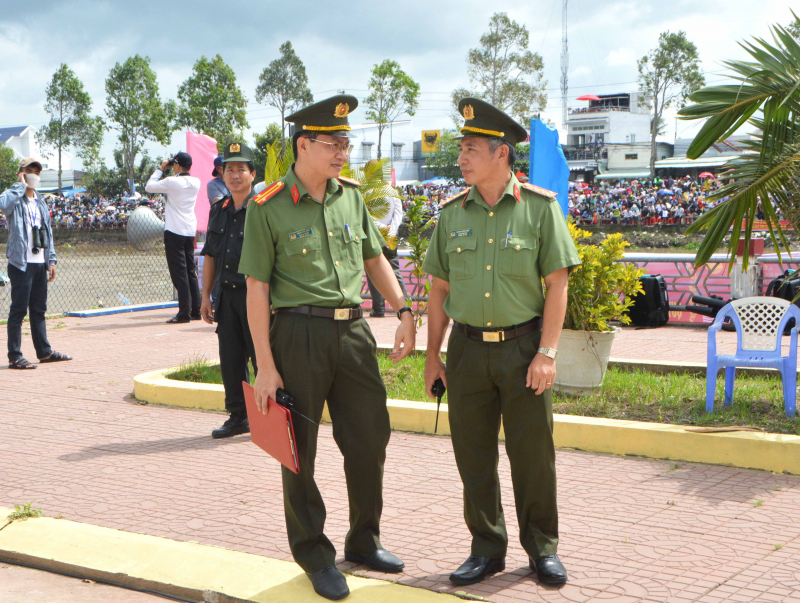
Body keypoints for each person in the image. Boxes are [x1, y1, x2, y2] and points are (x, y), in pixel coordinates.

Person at [238, 94, 416, 601]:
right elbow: (257, 289)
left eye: (346, 142)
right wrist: (266, 367)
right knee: (299, 453)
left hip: (353, 331)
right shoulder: (268, 206)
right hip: (296, 335)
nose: (343, 151)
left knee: (369, 438)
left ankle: (364, 541)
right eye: (333, 143)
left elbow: (375, 257)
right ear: (304, 145)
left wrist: (403, 310)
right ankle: (315, 555)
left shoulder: (351, 197)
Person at [422, 98, 581, 587]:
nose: (461, 158)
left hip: (523, 349)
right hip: (467, 351)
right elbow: (439, 291)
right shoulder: (452, 214)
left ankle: (542, 549)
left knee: (533, 455)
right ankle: (486, 547)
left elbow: (558, 283)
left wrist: (547, 352)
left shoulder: (539, 209)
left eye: (471, 149)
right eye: (461, 149)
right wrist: (433, 356)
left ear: (501, 155)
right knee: (473, 456)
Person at [200, 143, 258, 439]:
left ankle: (273, 417)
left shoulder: (264, 208)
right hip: (227, 297)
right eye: (229, 170)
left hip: (257, 298)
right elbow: (210, 254)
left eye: (240, 169)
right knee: (231, 360)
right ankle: (239, 416)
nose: (234, 175)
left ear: (252, 174)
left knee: (264, 360)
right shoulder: (218, 209)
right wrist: (206, 295)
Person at [0, 158, 72, 369]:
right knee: (19, 309)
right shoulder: (14, 198)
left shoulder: (41, 201)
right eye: (28, 170)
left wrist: (51, 260)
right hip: (20, 263)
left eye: (36, 172)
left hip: (39, 261)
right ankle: (15, 356)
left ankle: (44, 352)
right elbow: (2, 205)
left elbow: (48, 234)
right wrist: (19, 187)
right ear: (21, 173)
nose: (33, 175)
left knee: (39, 309)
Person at [145, 151, 201, 323]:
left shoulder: (171, 181)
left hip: (174, 230)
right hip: (190, 230)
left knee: (179, 273)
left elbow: (149, 187)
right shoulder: (196, 182)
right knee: (191, 270)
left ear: (176, 165)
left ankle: (184, 313)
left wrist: (161, 168)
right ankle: (195, 311)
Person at [364, 161, 409, 317]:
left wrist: (382, 228)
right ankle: (406, 304)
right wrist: (391, 230)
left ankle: (379, 309)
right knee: (395, 270)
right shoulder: (390, 189)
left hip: (375, 236)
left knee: (373, 269)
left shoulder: (367, 191)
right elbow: (399, 213)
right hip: (390, 237)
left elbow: (367, 215)